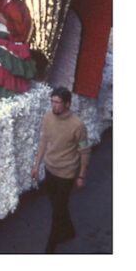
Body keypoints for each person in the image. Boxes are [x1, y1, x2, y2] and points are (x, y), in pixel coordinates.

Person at [32, 86, 91, 253]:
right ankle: (69, 231)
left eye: (58, 103)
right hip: (50, 169)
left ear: (67, 104)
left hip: (66, 174)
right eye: (52, 102)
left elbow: (84, 150)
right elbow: (44, 141)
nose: (54, 105)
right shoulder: (48, 118)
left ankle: (51, 246)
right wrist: (37, 165)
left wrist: (81, 176)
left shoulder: (77, 126)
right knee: (57, 205)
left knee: (58, 210)